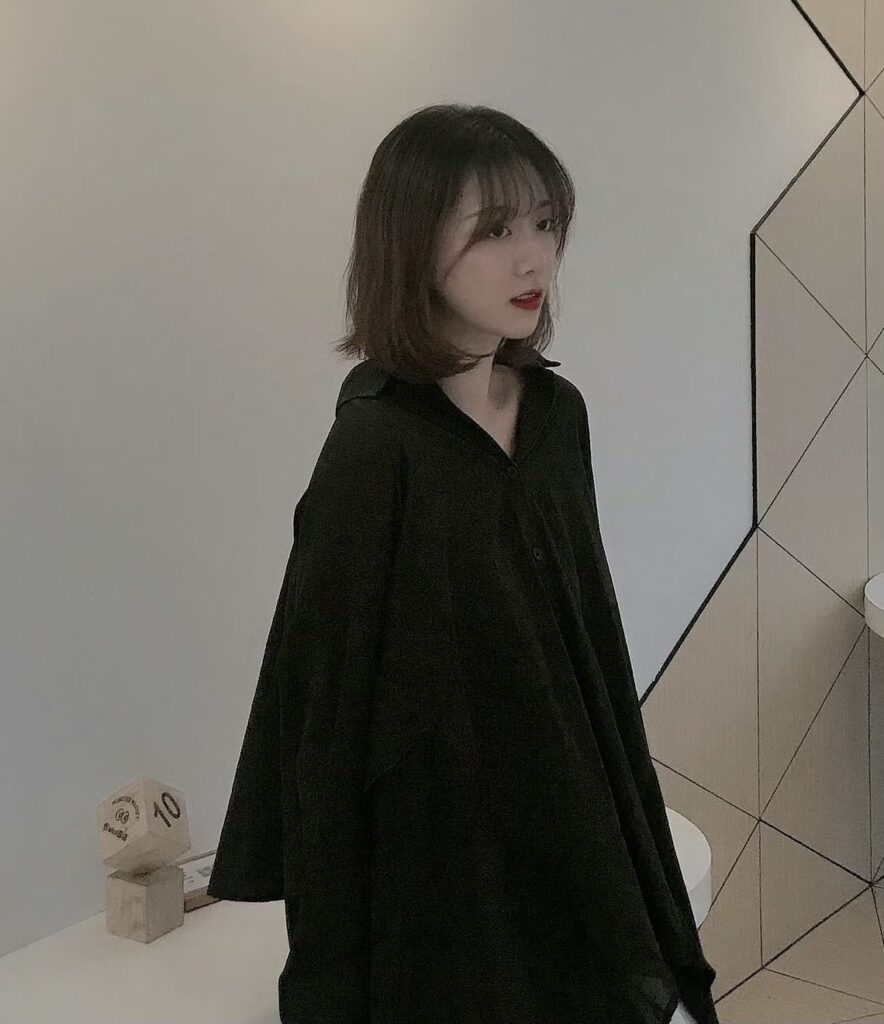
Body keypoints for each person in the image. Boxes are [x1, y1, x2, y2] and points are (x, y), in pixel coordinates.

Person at [206, 102, 717, 1024]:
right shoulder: (376, 447)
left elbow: (587, 631)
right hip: (441, 848)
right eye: (494, 231)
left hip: (564, 799)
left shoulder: (556, 416)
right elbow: (326, 705)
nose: (534, 260)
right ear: (411, 244)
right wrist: (327, 953)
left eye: (546, 224)